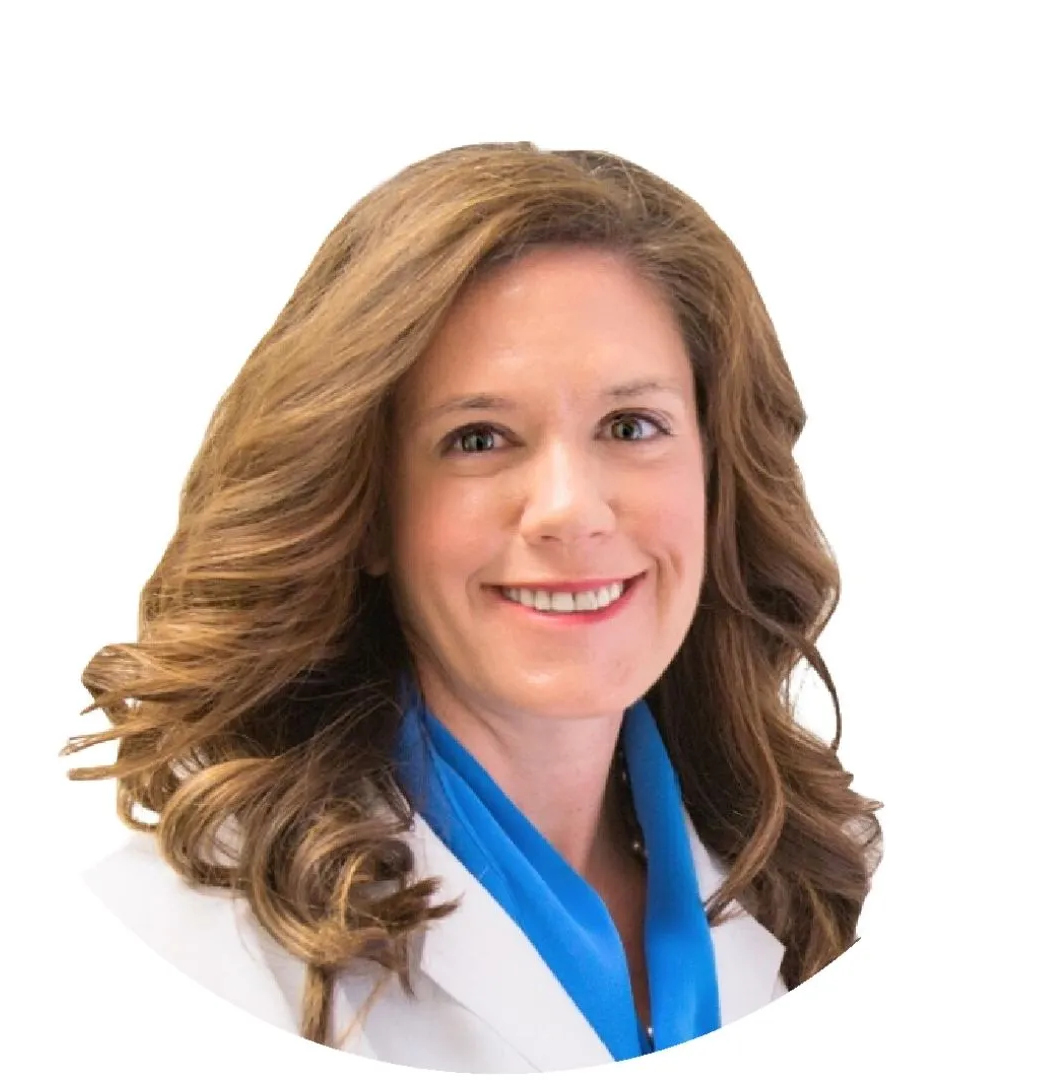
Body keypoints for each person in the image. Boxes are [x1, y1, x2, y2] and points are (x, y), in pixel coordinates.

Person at [64, 141, 883, 1073]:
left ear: (714, 477)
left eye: (631, 426)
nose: (571, 509)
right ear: (366, 510)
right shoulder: (180, 955)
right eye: (479, 438)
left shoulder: (816, 883)